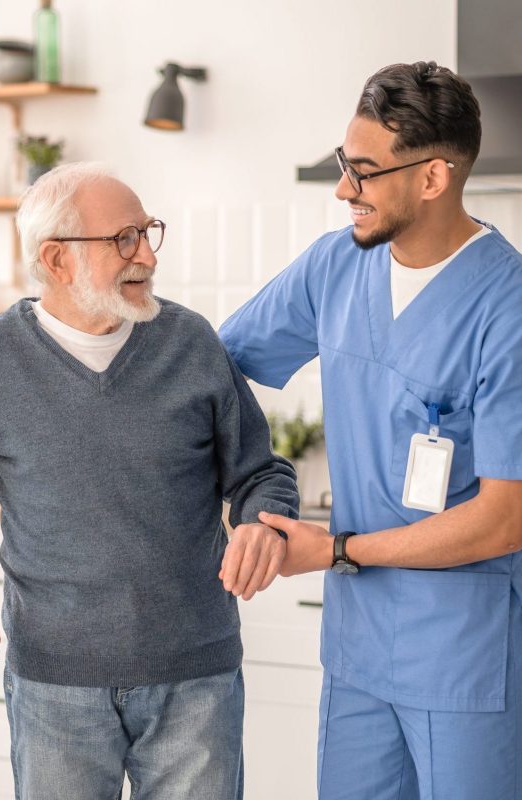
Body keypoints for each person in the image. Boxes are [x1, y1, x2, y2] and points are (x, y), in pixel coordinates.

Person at [0, 162, 299, 800]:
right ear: (57, 259)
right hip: (53, 687)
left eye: (148, 233)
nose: (147, 255)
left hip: (195, 681)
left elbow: (260, 471)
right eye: (124, 238)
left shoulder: (190, 342)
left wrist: (263, 521)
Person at [219, 61, 522, 800]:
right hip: (358, 652)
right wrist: (257, 493)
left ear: (432, 178)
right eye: (342, 165)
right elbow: (213, 369)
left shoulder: (507, 308)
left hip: (462, 657)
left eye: (363, 172)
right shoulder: (334, 269)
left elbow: (505, 517)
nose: (343, 190)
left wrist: (339, 548)